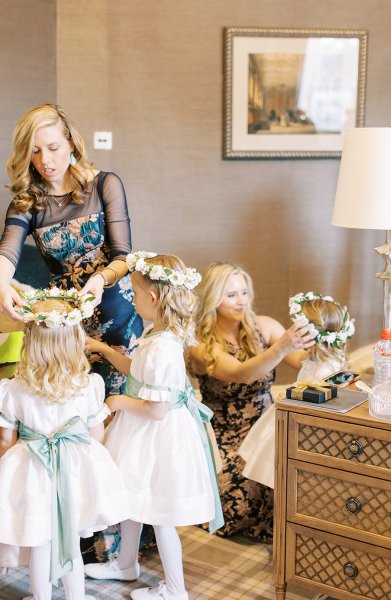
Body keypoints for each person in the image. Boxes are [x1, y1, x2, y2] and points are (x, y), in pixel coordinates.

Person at [84, 251, 223, 600]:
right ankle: (125, 563)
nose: (130, 297)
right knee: (131, 497)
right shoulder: (158, 334)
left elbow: (156, 409)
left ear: (154, 297)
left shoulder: (162, 347)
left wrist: (115, 402)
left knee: (159, 513)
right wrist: (101, 347)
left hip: (158, 437)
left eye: (133, 291)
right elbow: (136, 372)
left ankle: (176, 589)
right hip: (142, 431)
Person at [0, 103, 143, 396]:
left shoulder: (105, 185)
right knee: (76, 410)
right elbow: (7, 252)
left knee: (119, 406)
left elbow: (123, 256)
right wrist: (1, 284)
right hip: (66, 325)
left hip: (116, 313)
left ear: (71, 143)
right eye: (35, 150)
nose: (44, 160)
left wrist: (101, 279)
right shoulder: (27, 203)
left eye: (53, 147)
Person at [0, 288, 133, 600]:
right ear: (75, 341)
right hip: (75, 471)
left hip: (31, 469)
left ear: (30, 342)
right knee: (69, 538)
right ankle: (76, 597)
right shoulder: (88, 385)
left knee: (41, 541)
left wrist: (7, 467)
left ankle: (41, 596)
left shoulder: (12, 389)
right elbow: (96, 435)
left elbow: (6, 439)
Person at [188, 262, 315, 542]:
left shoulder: (264, 325)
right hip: (226, 433)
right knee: (240, 502)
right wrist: (281, 346)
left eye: (244, 292)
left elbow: (300, 360)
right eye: (231, 294)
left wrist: (325, 339)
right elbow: (239, 374)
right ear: (213, 297)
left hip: (267, 425)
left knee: (297, 480)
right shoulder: (199, 343)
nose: (241, 301)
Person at [239, 291, 355, 489]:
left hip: (301, 426)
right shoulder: (319, 358)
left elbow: (317, 398)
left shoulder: (324, 367)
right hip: (292, 417)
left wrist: (293, 396)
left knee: (283, 476)